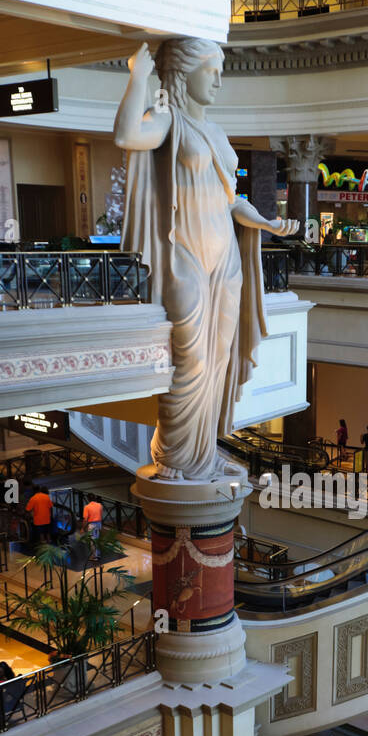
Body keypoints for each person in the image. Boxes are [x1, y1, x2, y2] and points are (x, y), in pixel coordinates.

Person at [114, 39, 298, 481]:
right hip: (186, 257)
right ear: (182, 72)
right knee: (190, 361)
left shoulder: (216, 132)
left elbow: (231, 200)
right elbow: (125, 136)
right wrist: (138, 74)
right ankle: (176, 455)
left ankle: (204, 452)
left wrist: (267, 224)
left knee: (217, 360)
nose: (219, 78)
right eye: (210, 68)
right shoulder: (165, 119)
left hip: (227, 261)